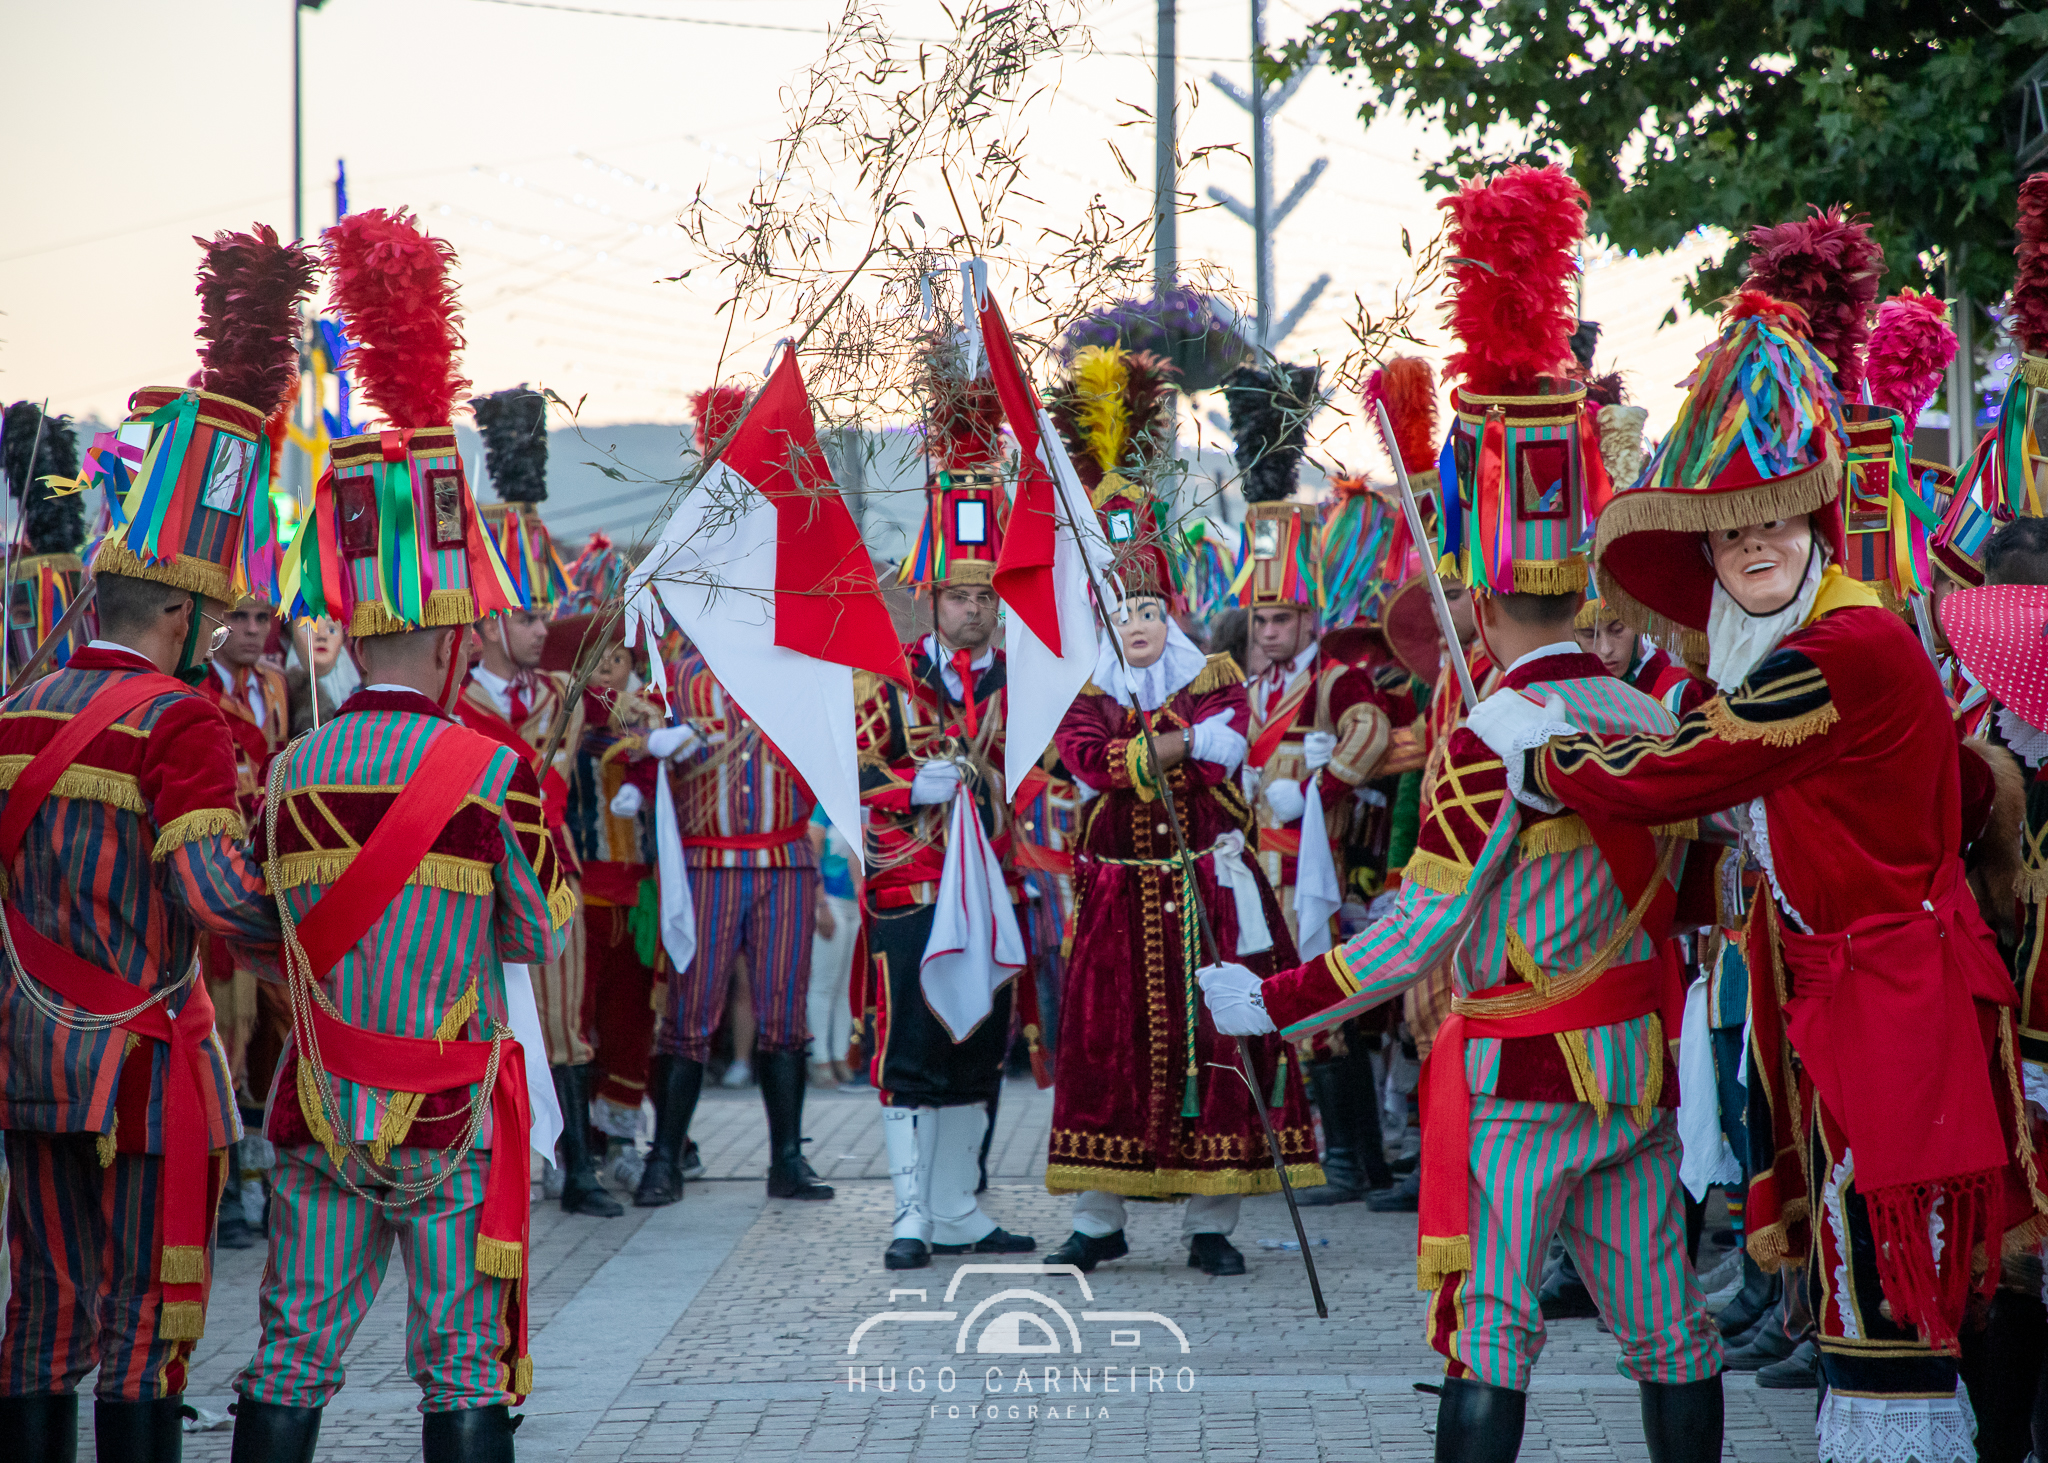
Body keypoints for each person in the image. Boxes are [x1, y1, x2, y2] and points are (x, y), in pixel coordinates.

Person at [1206, 163, 1724, 1462]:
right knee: (1668, 1329)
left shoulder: (1493, 739)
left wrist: (1272, 998)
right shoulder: (1652, 713)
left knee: (1490, 1334)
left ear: (1484, 610)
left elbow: (1413, 934)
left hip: (1517, 1072)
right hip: (1633, 1067)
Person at [1468, 285, 2039, 1459]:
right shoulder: (1827, 644)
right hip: (1852, 990)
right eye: (1729, 534)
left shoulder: (1839, 646)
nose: (1753, 546)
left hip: (1888, 997)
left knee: (1898, 1265)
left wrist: (1544, 753)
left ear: (1813, 531)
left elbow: (1682, 764)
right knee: (1876, 1255)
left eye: (1771, 525)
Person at [230, 208, 570, 1463]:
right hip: (449, 1113)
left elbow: (262, 927)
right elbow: (536, 930)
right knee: (461, 1363)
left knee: (289, 1351)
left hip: (319, 1100)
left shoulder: (291, 766)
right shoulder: (493, 768)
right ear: (445, 638)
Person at [0, 224, 308, 1463]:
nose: (215, 635)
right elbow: (217, 896)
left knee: (37, 1316)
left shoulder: (19, 703)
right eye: (213, 614)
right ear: (177, 610)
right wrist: (317, 918)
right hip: (135, 1063)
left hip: (25, 1053)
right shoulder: (177, 718)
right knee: (140, 1327)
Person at [1045, 586, 1320, 1275]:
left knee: (1219, 1042)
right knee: (1106, 1048)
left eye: (1148, 611)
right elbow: (1089, 761)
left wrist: (1150, 751)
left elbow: (1215, 763)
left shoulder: (1216, 677)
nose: (1136, 626)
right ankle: (1097, 1221)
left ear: (1170, 617)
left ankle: (1211, 1223)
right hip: (1118, 898)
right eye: (1121, 613)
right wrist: (1181, 739)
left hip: (1209, 893)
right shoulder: (1082, 691)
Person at [852, 340, 1038, 1269]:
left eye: (985, 595)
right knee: (913, 1046)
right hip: (913, 890)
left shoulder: (1021, 683)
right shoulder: (886, 683)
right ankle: (911, 1214)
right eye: (960, 594)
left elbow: (1039, 777)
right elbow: (847, 779)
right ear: (931, 594)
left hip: (991, 887)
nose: (973, 609)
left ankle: (963, 1208)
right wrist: (903, 785)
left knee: (979, 1046)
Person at [629, 629, 835, 1205]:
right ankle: (665, 1158)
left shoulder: (801, 665)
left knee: (786, 1015)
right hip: (706, 860)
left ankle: (788, 1160)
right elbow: (620, 732)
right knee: (688, 1013)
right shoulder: (672, 672)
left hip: (787, 861)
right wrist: (651, 740)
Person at [458, 406, 602, 1217]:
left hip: (553, 875)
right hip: (475, 881)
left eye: (546, 613)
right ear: (488, 620)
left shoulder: (561, 697)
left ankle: (578, 1167)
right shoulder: (457, 703)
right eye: (527, 614)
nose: (543, 628)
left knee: (565, 1018)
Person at [806, 808, 860, 1087]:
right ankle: (820, 1059)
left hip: (857, 903)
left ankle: (840, 1056)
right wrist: (820, 906)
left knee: (846, 986)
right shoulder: (824, 807)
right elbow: (811, 858)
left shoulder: (863, 802)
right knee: (824, 983)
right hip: (831, 901)